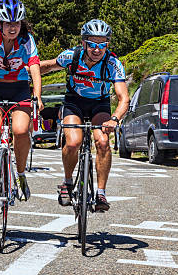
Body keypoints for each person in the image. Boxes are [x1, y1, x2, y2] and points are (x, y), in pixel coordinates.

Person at [40, 19, 129, 212]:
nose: (97, 50)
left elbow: (124, 98)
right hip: (74, 102)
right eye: (92, 45)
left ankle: (101, 192)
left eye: (102, 45)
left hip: (100, 105)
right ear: (84, 43)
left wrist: (114, 119)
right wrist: (23, 71)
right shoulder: (72, 56)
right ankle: (67, 182)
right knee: (72, 142)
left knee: (103, 142)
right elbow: (47, 66)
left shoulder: (113, 63)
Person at [0, 0, 43, 214]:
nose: (12, 28)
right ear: (0, 24)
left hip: (19, 87)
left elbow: (34, 68)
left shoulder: (27, 40)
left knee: (21, 131)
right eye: (7, 23)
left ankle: (20, 175)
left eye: (16, 23)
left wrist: (37, 96)